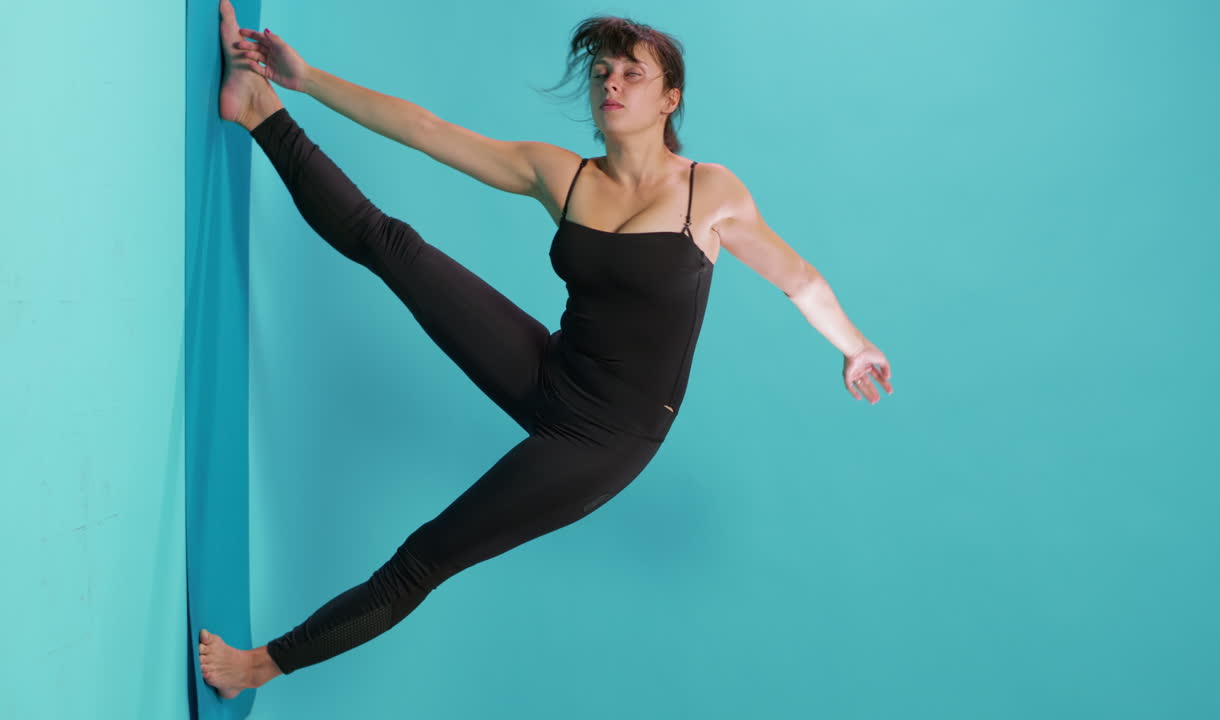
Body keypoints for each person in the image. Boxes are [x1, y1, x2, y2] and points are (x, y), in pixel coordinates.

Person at [199, 0, 893, 699]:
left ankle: (258, 666)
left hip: (608, 436)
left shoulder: (707, 193)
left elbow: (798, 280)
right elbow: (425, 129)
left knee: (424, 557)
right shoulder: (564, 176)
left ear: (669, 98)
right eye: (600, 72)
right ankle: (259, 109)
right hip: (551, 372)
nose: (611, 84)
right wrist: (306, 78)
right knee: (393, 245)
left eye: (632, 73)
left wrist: (854, 346)